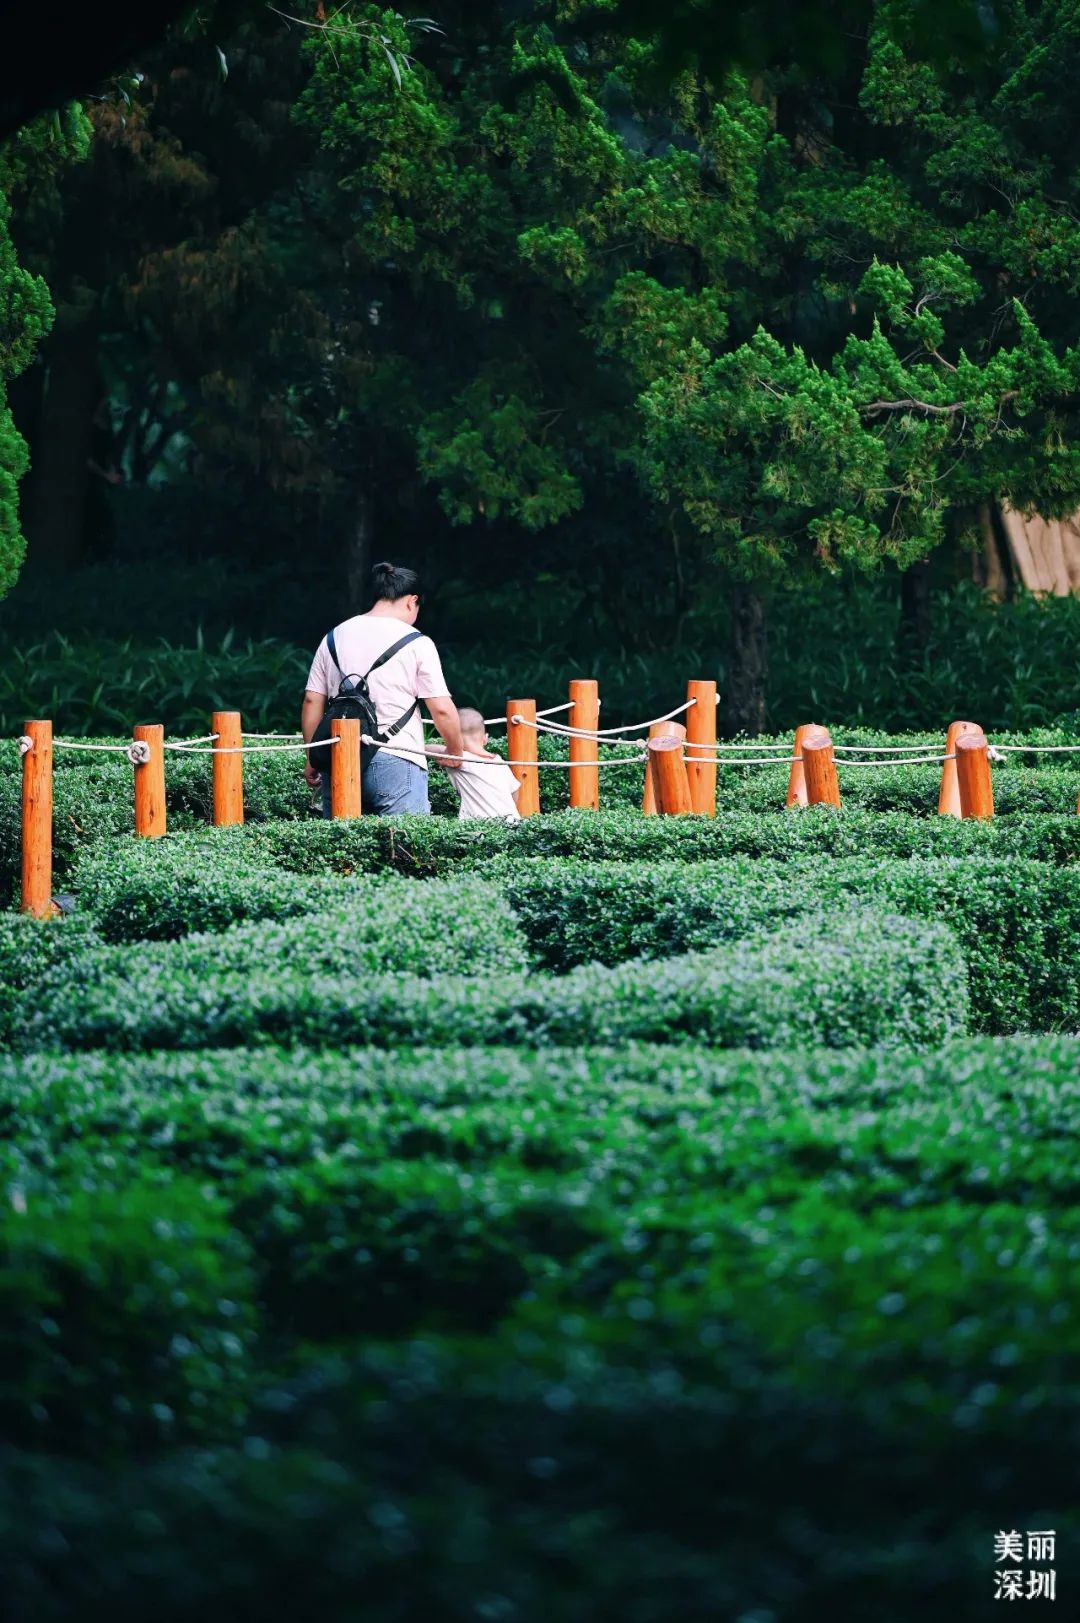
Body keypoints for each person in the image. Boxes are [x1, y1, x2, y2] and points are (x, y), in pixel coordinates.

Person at [302, 561, 465, 816]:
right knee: (405, 849)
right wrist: (455, 750)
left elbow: (312, 701)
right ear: (412, 601)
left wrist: (313, 755)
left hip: (338, 758)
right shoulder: (417, 642)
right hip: (396, 757)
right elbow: (441, 710)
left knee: (341, 849)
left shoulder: (333, 636)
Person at [431, 707, 522, 821]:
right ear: (485, 738)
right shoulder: (499, 761)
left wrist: (417, 747)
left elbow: (436, 751)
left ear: (452, 738)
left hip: (482, 828)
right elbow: (514, 791)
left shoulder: (461, 759)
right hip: (512, 823)